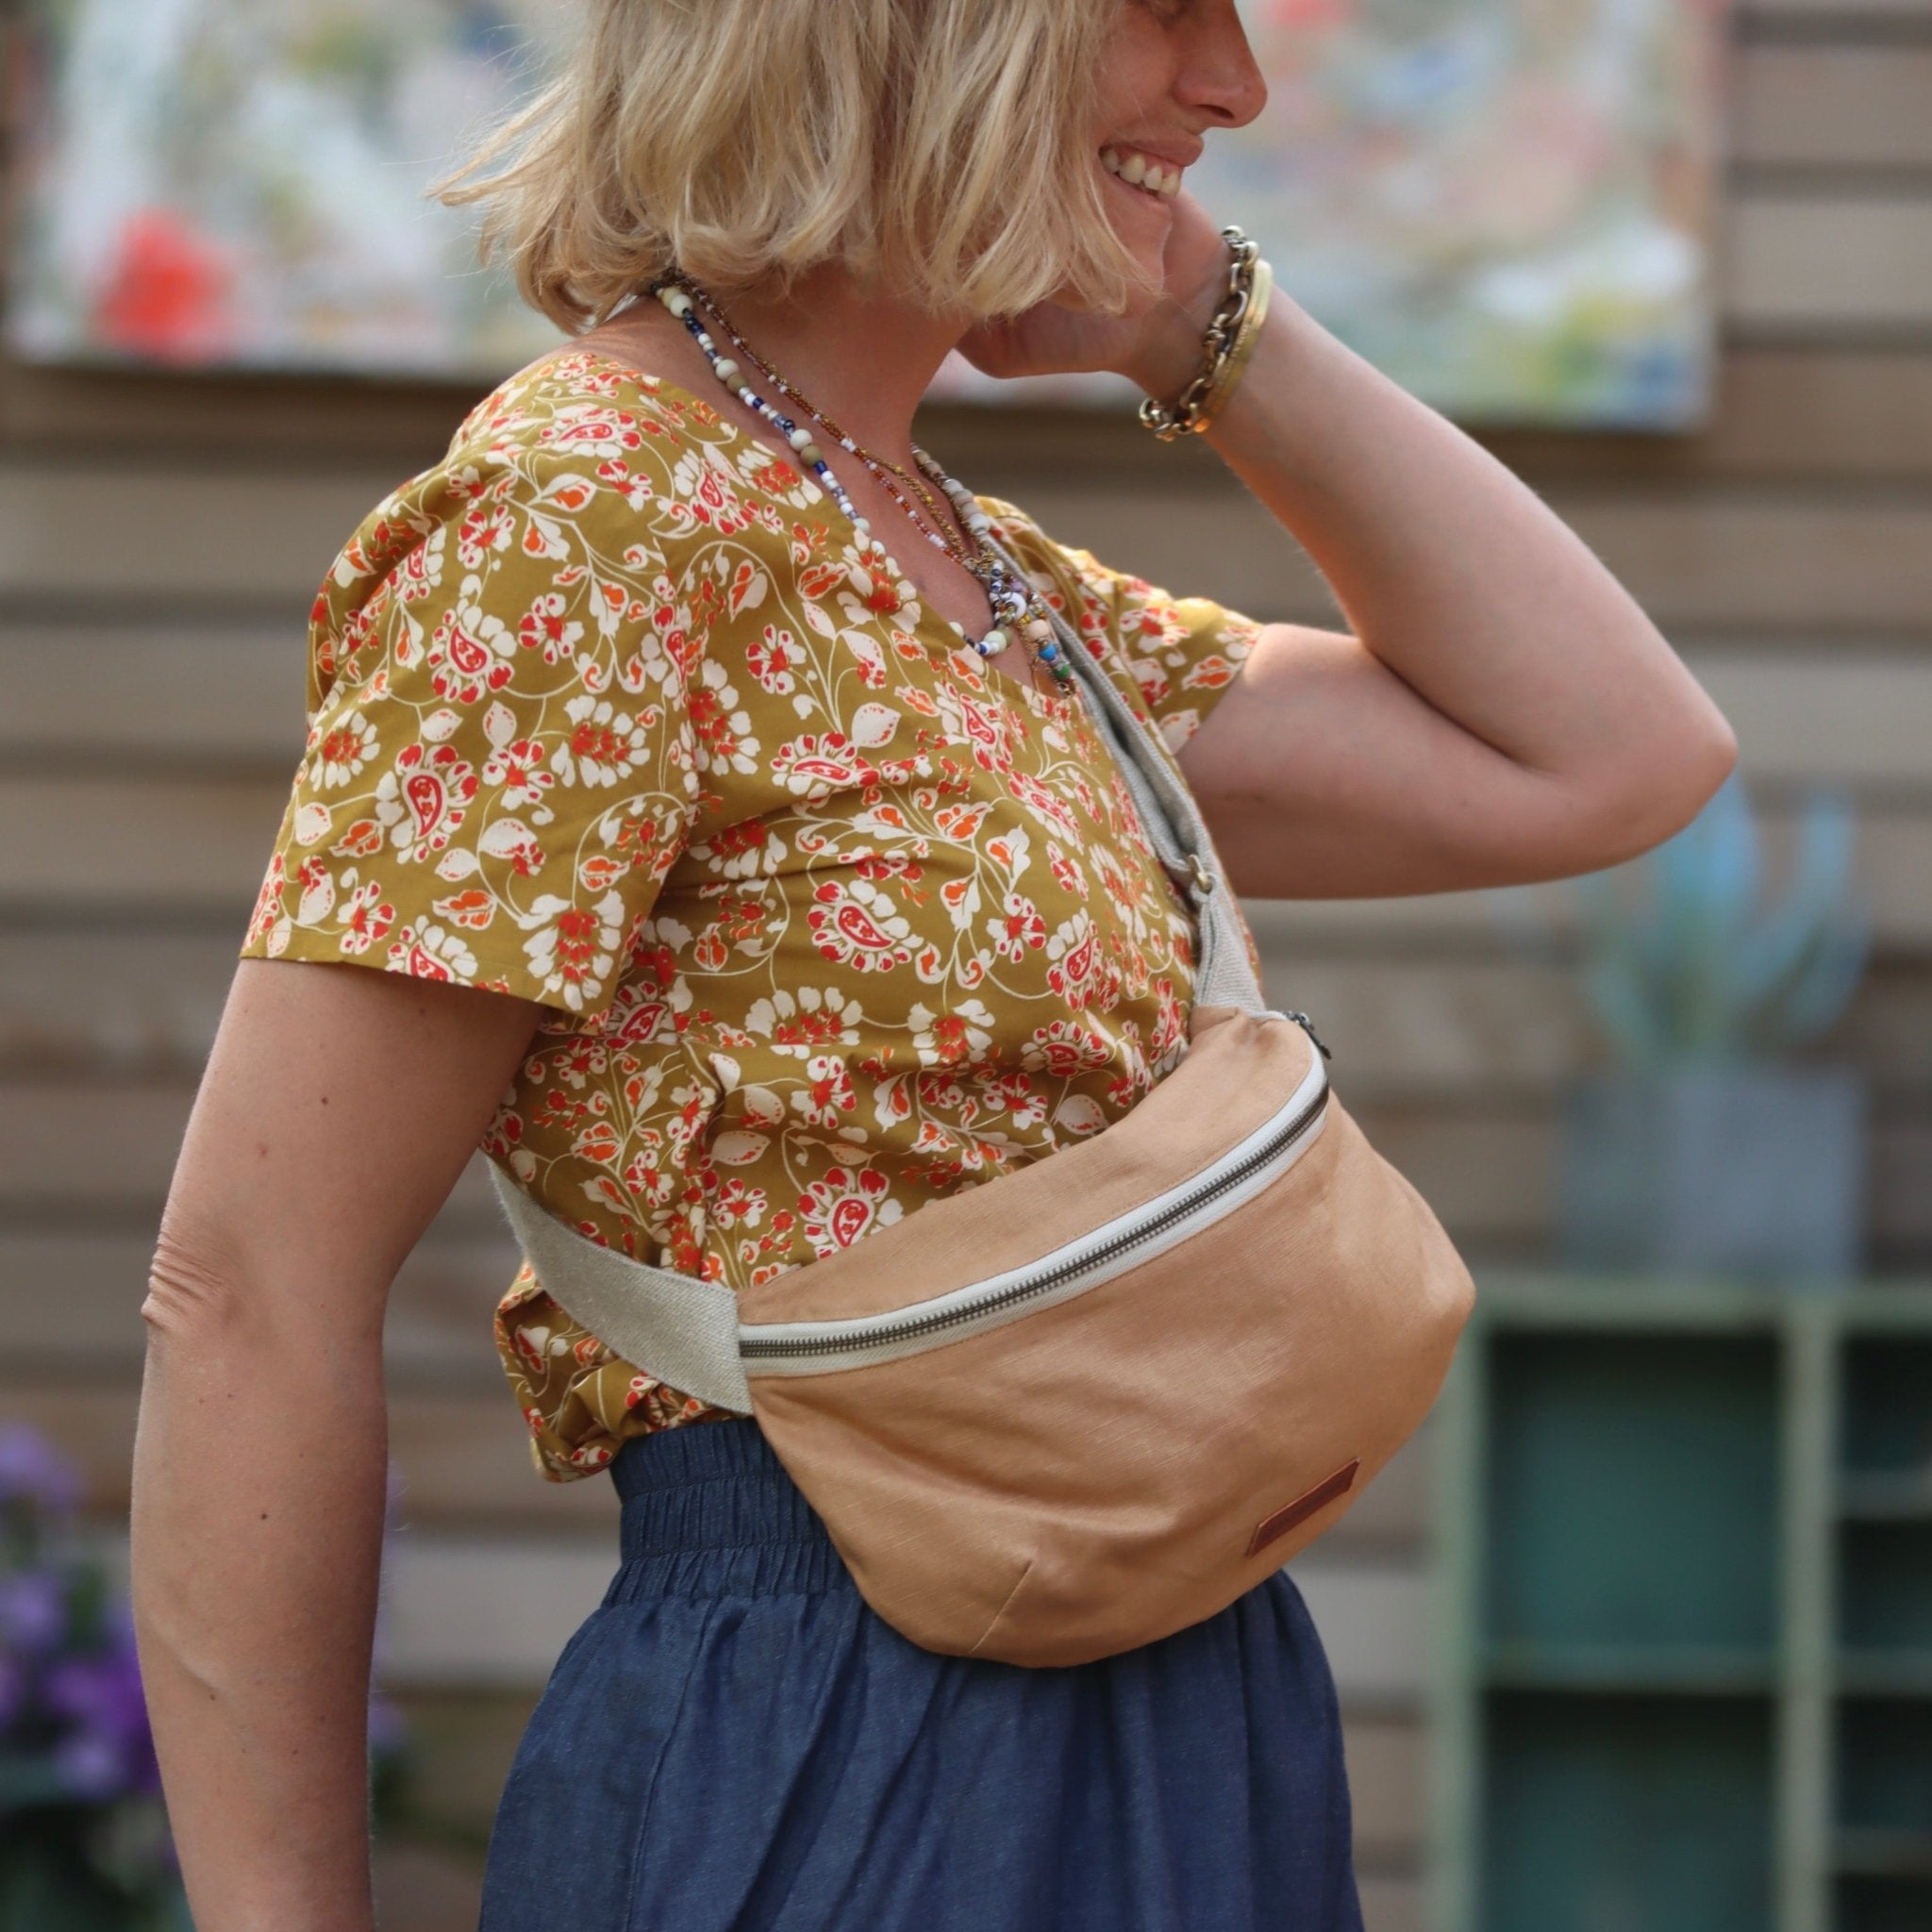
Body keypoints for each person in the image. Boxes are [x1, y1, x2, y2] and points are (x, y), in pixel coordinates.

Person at [129, 1, 1739, 1926]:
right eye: (1166, 9)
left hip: (1186, 1705)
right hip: (835, 1726)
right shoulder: (585, 522)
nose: (1233, 86)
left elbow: (1612, 755)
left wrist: (1206, 324)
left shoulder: (962, 565)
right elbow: (250, 1292)